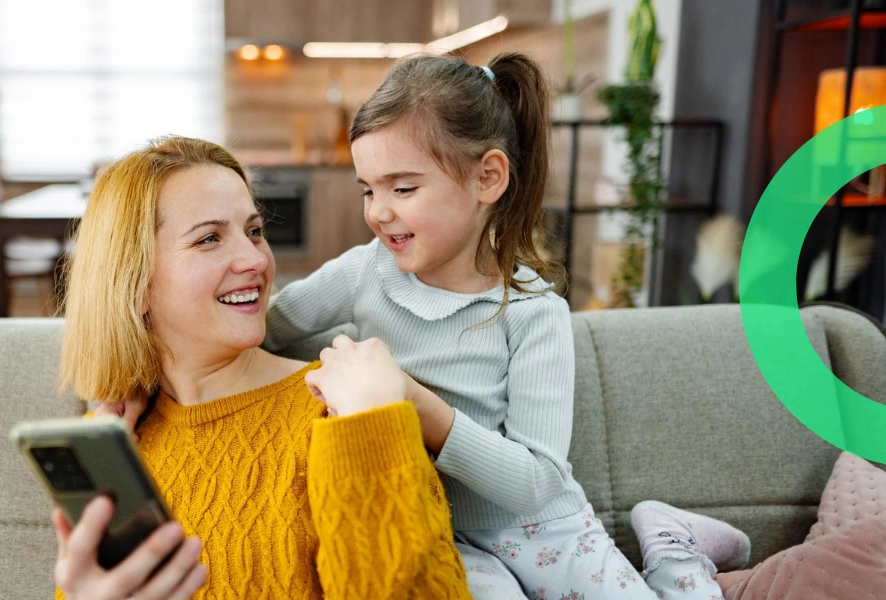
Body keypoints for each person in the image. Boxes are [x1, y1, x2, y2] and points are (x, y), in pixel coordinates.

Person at [102, 53, 750, 600]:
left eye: (402, 188)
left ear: (487, 178)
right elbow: (258, 333)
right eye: (367, 190)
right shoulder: (363, 274)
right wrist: (147, 375)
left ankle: (675, 552)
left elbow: (534, 482)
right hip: (447, 534)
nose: (379, 212)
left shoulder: (532, 311)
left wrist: (416, 404)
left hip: (543, 532)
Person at [52, 135, 471, 600]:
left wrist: (371, 433)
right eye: (209, 239)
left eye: (254, 231)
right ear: (132, 280)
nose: (256, 260)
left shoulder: (346, 413)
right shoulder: (112, 442)